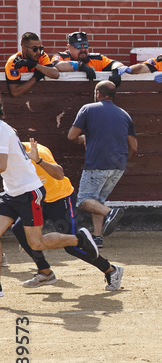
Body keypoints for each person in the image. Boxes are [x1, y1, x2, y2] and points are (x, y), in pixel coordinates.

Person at [0, 102, 105, 297]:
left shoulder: (6, 133)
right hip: (16, 193)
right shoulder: (7, 133)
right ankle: (43, 272)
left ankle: (83, 243)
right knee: (21, 233)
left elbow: (3, 165)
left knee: (43, 244)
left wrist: (37, 159)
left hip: (40, 194)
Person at [10, 138, 124, 291]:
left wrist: (38, 160)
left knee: (72, 246)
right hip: (38, 201)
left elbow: (59, 174)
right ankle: (45, 272)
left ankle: (110, 270)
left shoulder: (35, 151)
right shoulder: (10, 158)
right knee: (19, 229)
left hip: (61, 199)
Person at [66, 81, 137, 249]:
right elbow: (133, 146)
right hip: (118, 166)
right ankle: (98, 237)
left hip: (97, 163)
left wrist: (80, 138)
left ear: (98, 93)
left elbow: (71, 136)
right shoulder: (124, 114)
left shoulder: (88, 109)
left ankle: (110, 212)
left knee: (84, 200)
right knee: (97, 200)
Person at [5, 32, 60, 99]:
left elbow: (55, 74)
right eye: (35, 49)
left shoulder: (41, 56)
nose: (38, 52)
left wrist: (34, 64)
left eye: (40, 48)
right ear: (24, 48)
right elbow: (15, 92)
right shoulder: (13, 62)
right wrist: (35, 78)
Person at [52, 31, 126, 79]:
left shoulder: (96, 59)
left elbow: (116, 63)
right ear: (69, 47)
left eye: (86, 46)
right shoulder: (62, 57)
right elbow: (56, 65)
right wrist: (80, 66)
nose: (83, 50)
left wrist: (116, 70)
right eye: (78, 47)